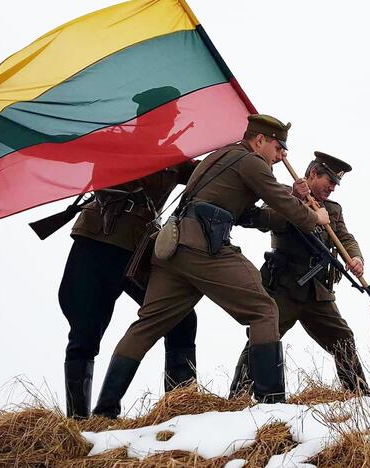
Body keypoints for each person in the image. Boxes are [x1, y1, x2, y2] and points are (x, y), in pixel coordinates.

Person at [92, 114, 331, 418]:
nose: (281, 155)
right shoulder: (252, 162)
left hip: (174, 250)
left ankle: (105, 410)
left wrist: (288, 204)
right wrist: (314, 218)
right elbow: (279, 201)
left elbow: (249, 216)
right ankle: (272, 407)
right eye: (278, 146)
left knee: (147, 325)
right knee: (264, 310)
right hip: (205, 246)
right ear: (259, 140)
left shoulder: (217, 158)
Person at [59, 86, 199, 420]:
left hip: (136, 255)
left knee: (180, 317)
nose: (175, 120)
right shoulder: (113, 140)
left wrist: (242, 153)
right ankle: (79, 423)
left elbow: (209, 179)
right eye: (171, 114)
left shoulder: (173, 154)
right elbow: (64, 148)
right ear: (154, 116)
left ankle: (182, 412)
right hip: (97, 245)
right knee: (85, 333)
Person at [229, 152, 370, 398]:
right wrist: (294, 198)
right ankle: (238, 396)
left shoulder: (333, 210)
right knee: (263, 338)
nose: (333, 189)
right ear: (313, 174)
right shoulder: (282, 193)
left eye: (336, 184)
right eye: (330, 182)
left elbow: (345, 238)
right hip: (285, 287)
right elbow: (266, 221)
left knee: (343, 339)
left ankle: (359, 396)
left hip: (318, 293)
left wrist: (356, 258)